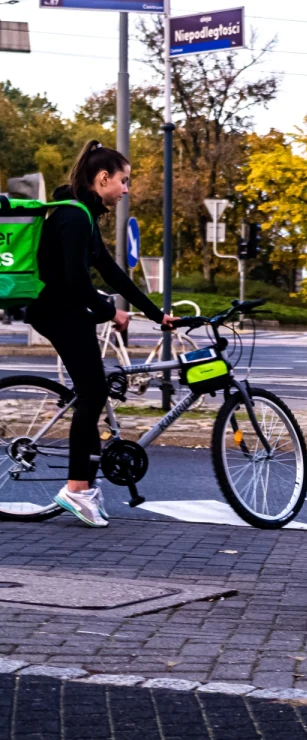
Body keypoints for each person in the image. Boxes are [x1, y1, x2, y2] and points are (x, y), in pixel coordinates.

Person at [28, 140, 178, 528]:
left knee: (92, 393)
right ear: (103, 178)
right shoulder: (75, 217)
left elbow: (112, 273)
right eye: (124, 181)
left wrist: (155, 314)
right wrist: (111, 312)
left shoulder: (83, 215)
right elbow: (77, 280)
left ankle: (86, 487)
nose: (127, 189)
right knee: (93, 393)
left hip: (67, 309)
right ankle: (76, 490)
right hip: (58, 311)